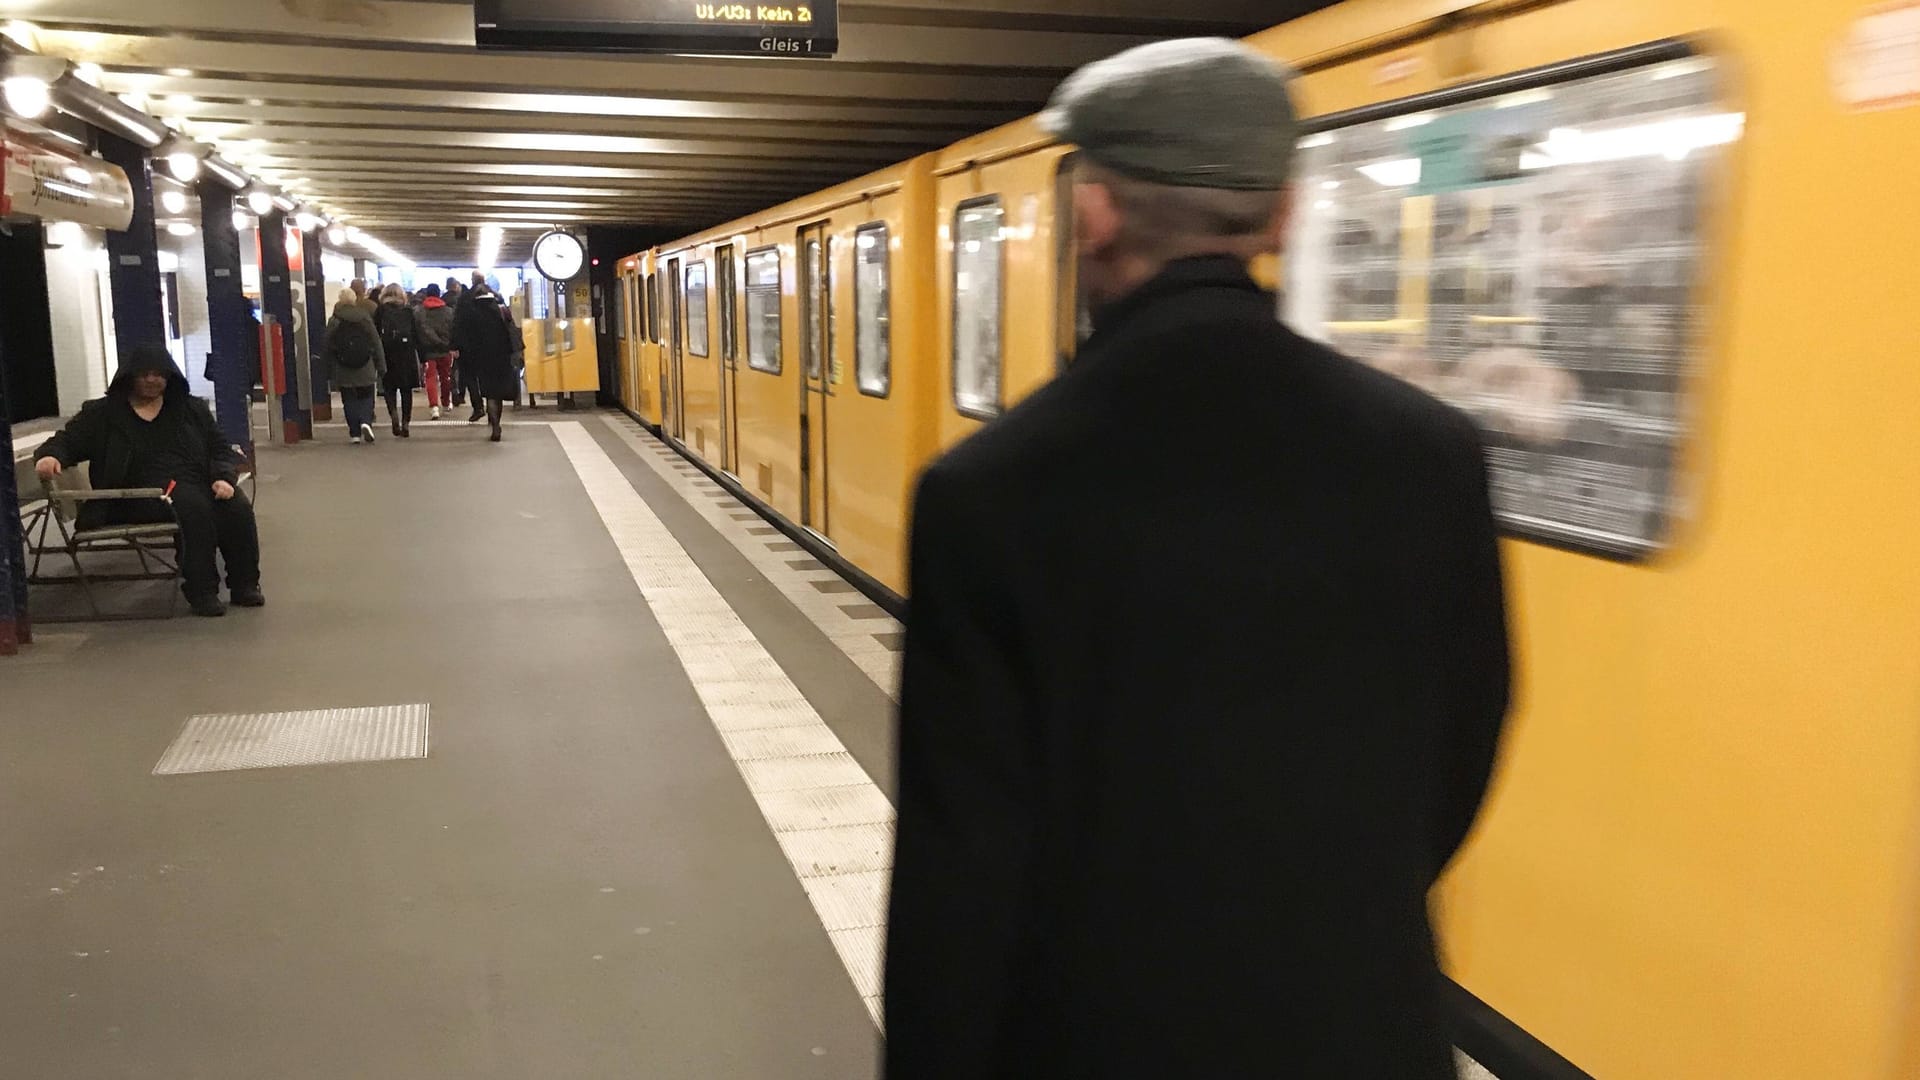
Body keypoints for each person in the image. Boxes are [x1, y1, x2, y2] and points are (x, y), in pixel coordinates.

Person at [883, 38, 1511, 1080]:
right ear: (1284, 215)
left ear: (1092, 212)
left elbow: (963, 865)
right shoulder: (1431, 452)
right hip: (1361, 1028)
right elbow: (1465, 741)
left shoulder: (989, 490)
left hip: (1094, 1037)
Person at [34, 345, 262, 617]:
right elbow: (67, 440)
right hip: (135, 495)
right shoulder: (104, 413)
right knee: (192, 508)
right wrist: (50, 456)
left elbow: (219, 447)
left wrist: (224, 477)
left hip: (196, 482)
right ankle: (202, 590)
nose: (153, 380)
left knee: (236, 506)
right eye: (145, 374)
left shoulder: (190, 409)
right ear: (130, 376)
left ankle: (245, 584)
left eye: (159, 374)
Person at [449, 280, 519, 442]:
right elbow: (512, 332)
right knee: (497, 393)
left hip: (479, 357)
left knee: (488, 393)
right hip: (501, 356)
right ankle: (496, 424)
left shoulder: (469, 312)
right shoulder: (501, 309)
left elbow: (460, 333)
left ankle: (493, 421)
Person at [323, 289, 386, 444]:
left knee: (349, 399)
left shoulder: (334, 320)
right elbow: (376, 342)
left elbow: (327, 345)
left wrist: (328, 369)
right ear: (354, 300)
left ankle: (355, 433)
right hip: (366, 364)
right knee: (366, 396)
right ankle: (365, 420)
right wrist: (381, 365)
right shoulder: (364, 317)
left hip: (343, 365)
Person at [374, 283, 422, 438]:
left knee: (389, 388)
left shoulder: (380, 311)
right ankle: (406, 422)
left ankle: (393, 414)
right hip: (406, 353)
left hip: (387, 352)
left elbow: (375, 333)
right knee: (406, 389)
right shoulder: (408, 311)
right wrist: (422, 356)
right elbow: (416, 334)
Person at [416, 283, 457, 420]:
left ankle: (434, 407)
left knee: (430, 378)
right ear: (439, 294)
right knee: (446, 377)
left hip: (428, 350)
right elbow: (452, 330)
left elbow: (418, 330)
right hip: (445, 350)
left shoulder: (420, 311)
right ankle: (446, 403)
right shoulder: (448, 311)